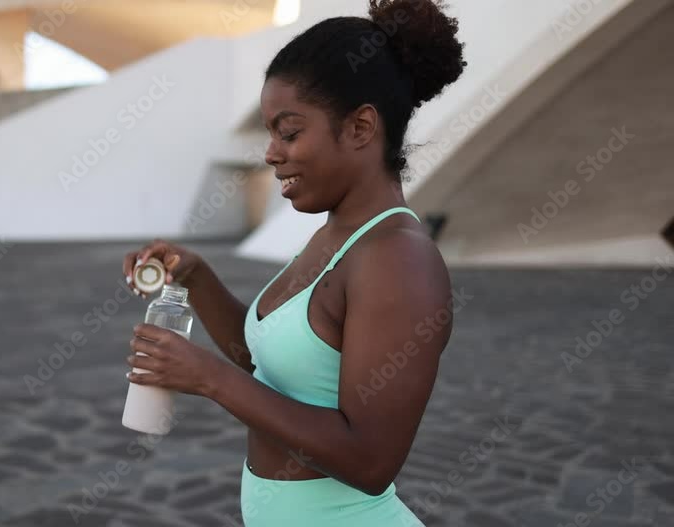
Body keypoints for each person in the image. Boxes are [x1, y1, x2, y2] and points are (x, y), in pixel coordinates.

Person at [121, 0, 465, 524]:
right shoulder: (335, 236)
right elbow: (267, 365)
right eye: (270, 133)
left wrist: (209, 379)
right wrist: (197, 278)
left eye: (289, 131)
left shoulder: (398, 258)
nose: (270, 153)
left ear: (360, 127)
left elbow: (371, 460)